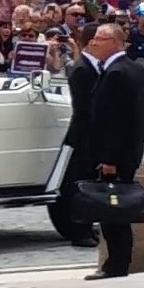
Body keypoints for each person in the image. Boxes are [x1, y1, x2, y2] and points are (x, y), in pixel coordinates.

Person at [83, 23, 144, 280]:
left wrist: (109, 159)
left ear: (115, 42)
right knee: (115, 211)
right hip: (128, 151)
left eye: (101, 38)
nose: (95, 43)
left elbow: (117, 121)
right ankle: (118, 260)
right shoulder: (129, 68)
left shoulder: (118, 72)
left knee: (113, 211)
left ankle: (116, 263)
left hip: (117, 155)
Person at [57, 24, 100, 248]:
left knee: (88, 181)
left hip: (89, 133)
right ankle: (80, 229)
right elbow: (86, 107)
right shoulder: (82, 69)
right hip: (84, 133)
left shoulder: (90, 66)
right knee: (80, 183)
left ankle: (87, 224)